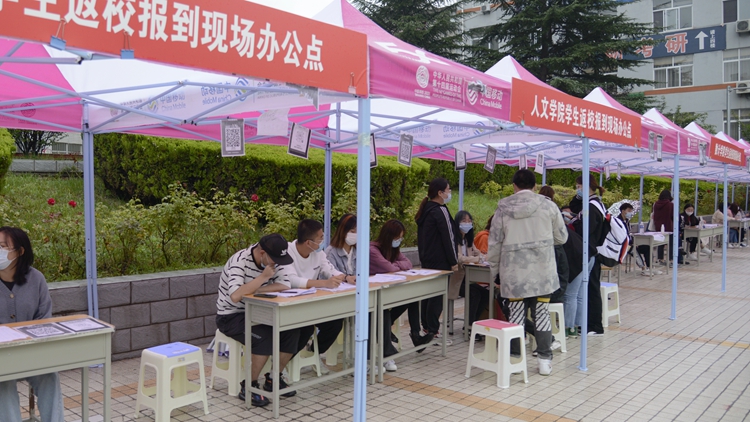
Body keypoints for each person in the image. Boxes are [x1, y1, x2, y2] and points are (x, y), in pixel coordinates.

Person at [488, 170, 568, 375]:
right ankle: (544, 361)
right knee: (541, 314)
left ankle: (515, 359)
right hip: (543, 271)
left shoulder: (503, 208)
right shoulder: (549, 206)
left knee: (515, 316)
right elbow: (562, 237)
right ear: (534, 186)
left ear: (514, 186)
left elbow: (494, 243)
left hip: (513, 272)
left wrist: (495, 271)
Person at [0, 227, 65, 422]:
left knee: (49, 377)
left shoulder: (36, 279)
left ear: (20, 251)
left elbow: (44, 319)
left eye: (3, 246)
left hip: (31, 352)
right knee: (3, 384)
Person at [287, 220, 352, 368]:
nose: (323, 241)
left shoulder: (318, 252)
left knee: (335, 323)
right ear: (308, 242)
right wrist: (324, 283)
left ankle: (314, 353)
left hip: (312, 303)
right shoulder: (288, 252)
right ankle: (283, 364)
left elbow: (329, 269)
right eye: (320, 238)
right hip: (291, 305)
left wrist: (345, 277)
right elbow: (292, 280)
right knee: (302, 330)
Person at [370, 219, 431, 368]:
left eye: (401, 238)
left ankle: (416, 336)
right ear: (388, 235)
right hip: (374, 294)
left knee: (412, 297)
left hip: (389, 290)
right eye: (397, 237)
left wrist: (395, 265)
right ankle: (387, 349)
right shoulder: (373, 249)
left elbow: (408, 264)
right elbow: (388, 267)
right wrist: (395, 266)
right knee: (383, 310)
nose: (398, 241)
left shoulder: (393, 250)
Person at [415, 178, 459, 339]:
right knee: (437, 297)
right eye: (448, 190)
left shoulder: (426, 210)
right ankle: (433, 330)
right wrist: (454, 261)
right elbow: (449, 237)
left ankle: (427, 327)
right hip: (441, 261)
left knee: (428, 295)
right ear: (440, 193)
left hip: (427, 260)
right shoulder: (440, 210)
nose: (450, 193)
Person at [569, 174, 605, 336]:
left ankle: (595, 325)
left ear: (585, 185)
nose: (577, 189)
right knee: (588, 288)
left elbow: (586, 229)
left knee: (591, 288)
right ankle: (586, 324)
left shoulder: (592, 207)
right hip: (591, 249)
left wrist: (573, 223)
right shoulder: (593, 203)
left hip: (590, 250)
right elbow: (574, 207)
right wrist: (578, 196)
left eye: (578, 187)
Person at [452, 210, 489, 331]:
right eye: (464, 221)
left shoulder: (468, 239)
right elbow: (459, 258)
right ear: (457, 223)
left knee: (485, 293)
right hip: (456, 280)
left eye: (469, 221)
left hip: (467, 278)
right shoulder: (453, 240)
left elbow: (477, 253)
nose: (467, 223)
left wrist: (484, 257)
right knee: (475, 294)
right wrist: (477, 259)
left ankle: (473, 323)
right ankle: (469, 326)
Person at [620, 203, 663, 276]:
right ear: (623, 211)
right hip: (623, 245)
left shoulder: (627, 221)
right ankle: (643, 268)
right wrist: (631, 243)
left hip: (630, 242)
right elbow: (621, 236)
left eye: (631, 211)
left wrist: (634, 242)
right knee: (633, 249)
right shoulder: (618, 221)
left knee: (647, 247)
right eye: (629, 211)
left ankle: (650, 267)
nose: (630, 213)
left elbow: (629, 234)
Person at [652, 189, 675, 264]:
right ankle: (671, 259)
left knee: (660, 243)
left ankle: (660, 258)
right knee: (671, 243)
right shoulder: (670, 205)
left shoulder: (655, 204)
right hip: (668, 226)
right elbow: (673, 216)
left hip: (658, 226)